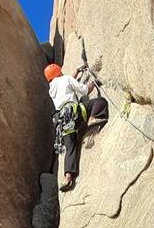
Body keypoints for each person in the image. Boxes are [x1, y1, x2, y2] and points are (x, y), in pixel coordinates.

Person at [44, 63, 108, 191]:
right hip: (75, 114)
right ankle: (92, 117)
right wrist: (94, 83)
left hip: (63, 123)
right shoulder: (66, 79)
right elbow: (85, 90)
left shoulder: (51, 88)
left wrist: (77, 70)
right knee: (100, 102)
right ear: (59, 72)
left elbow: (66, 81)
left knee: (70, 148)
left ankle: (68, 177)